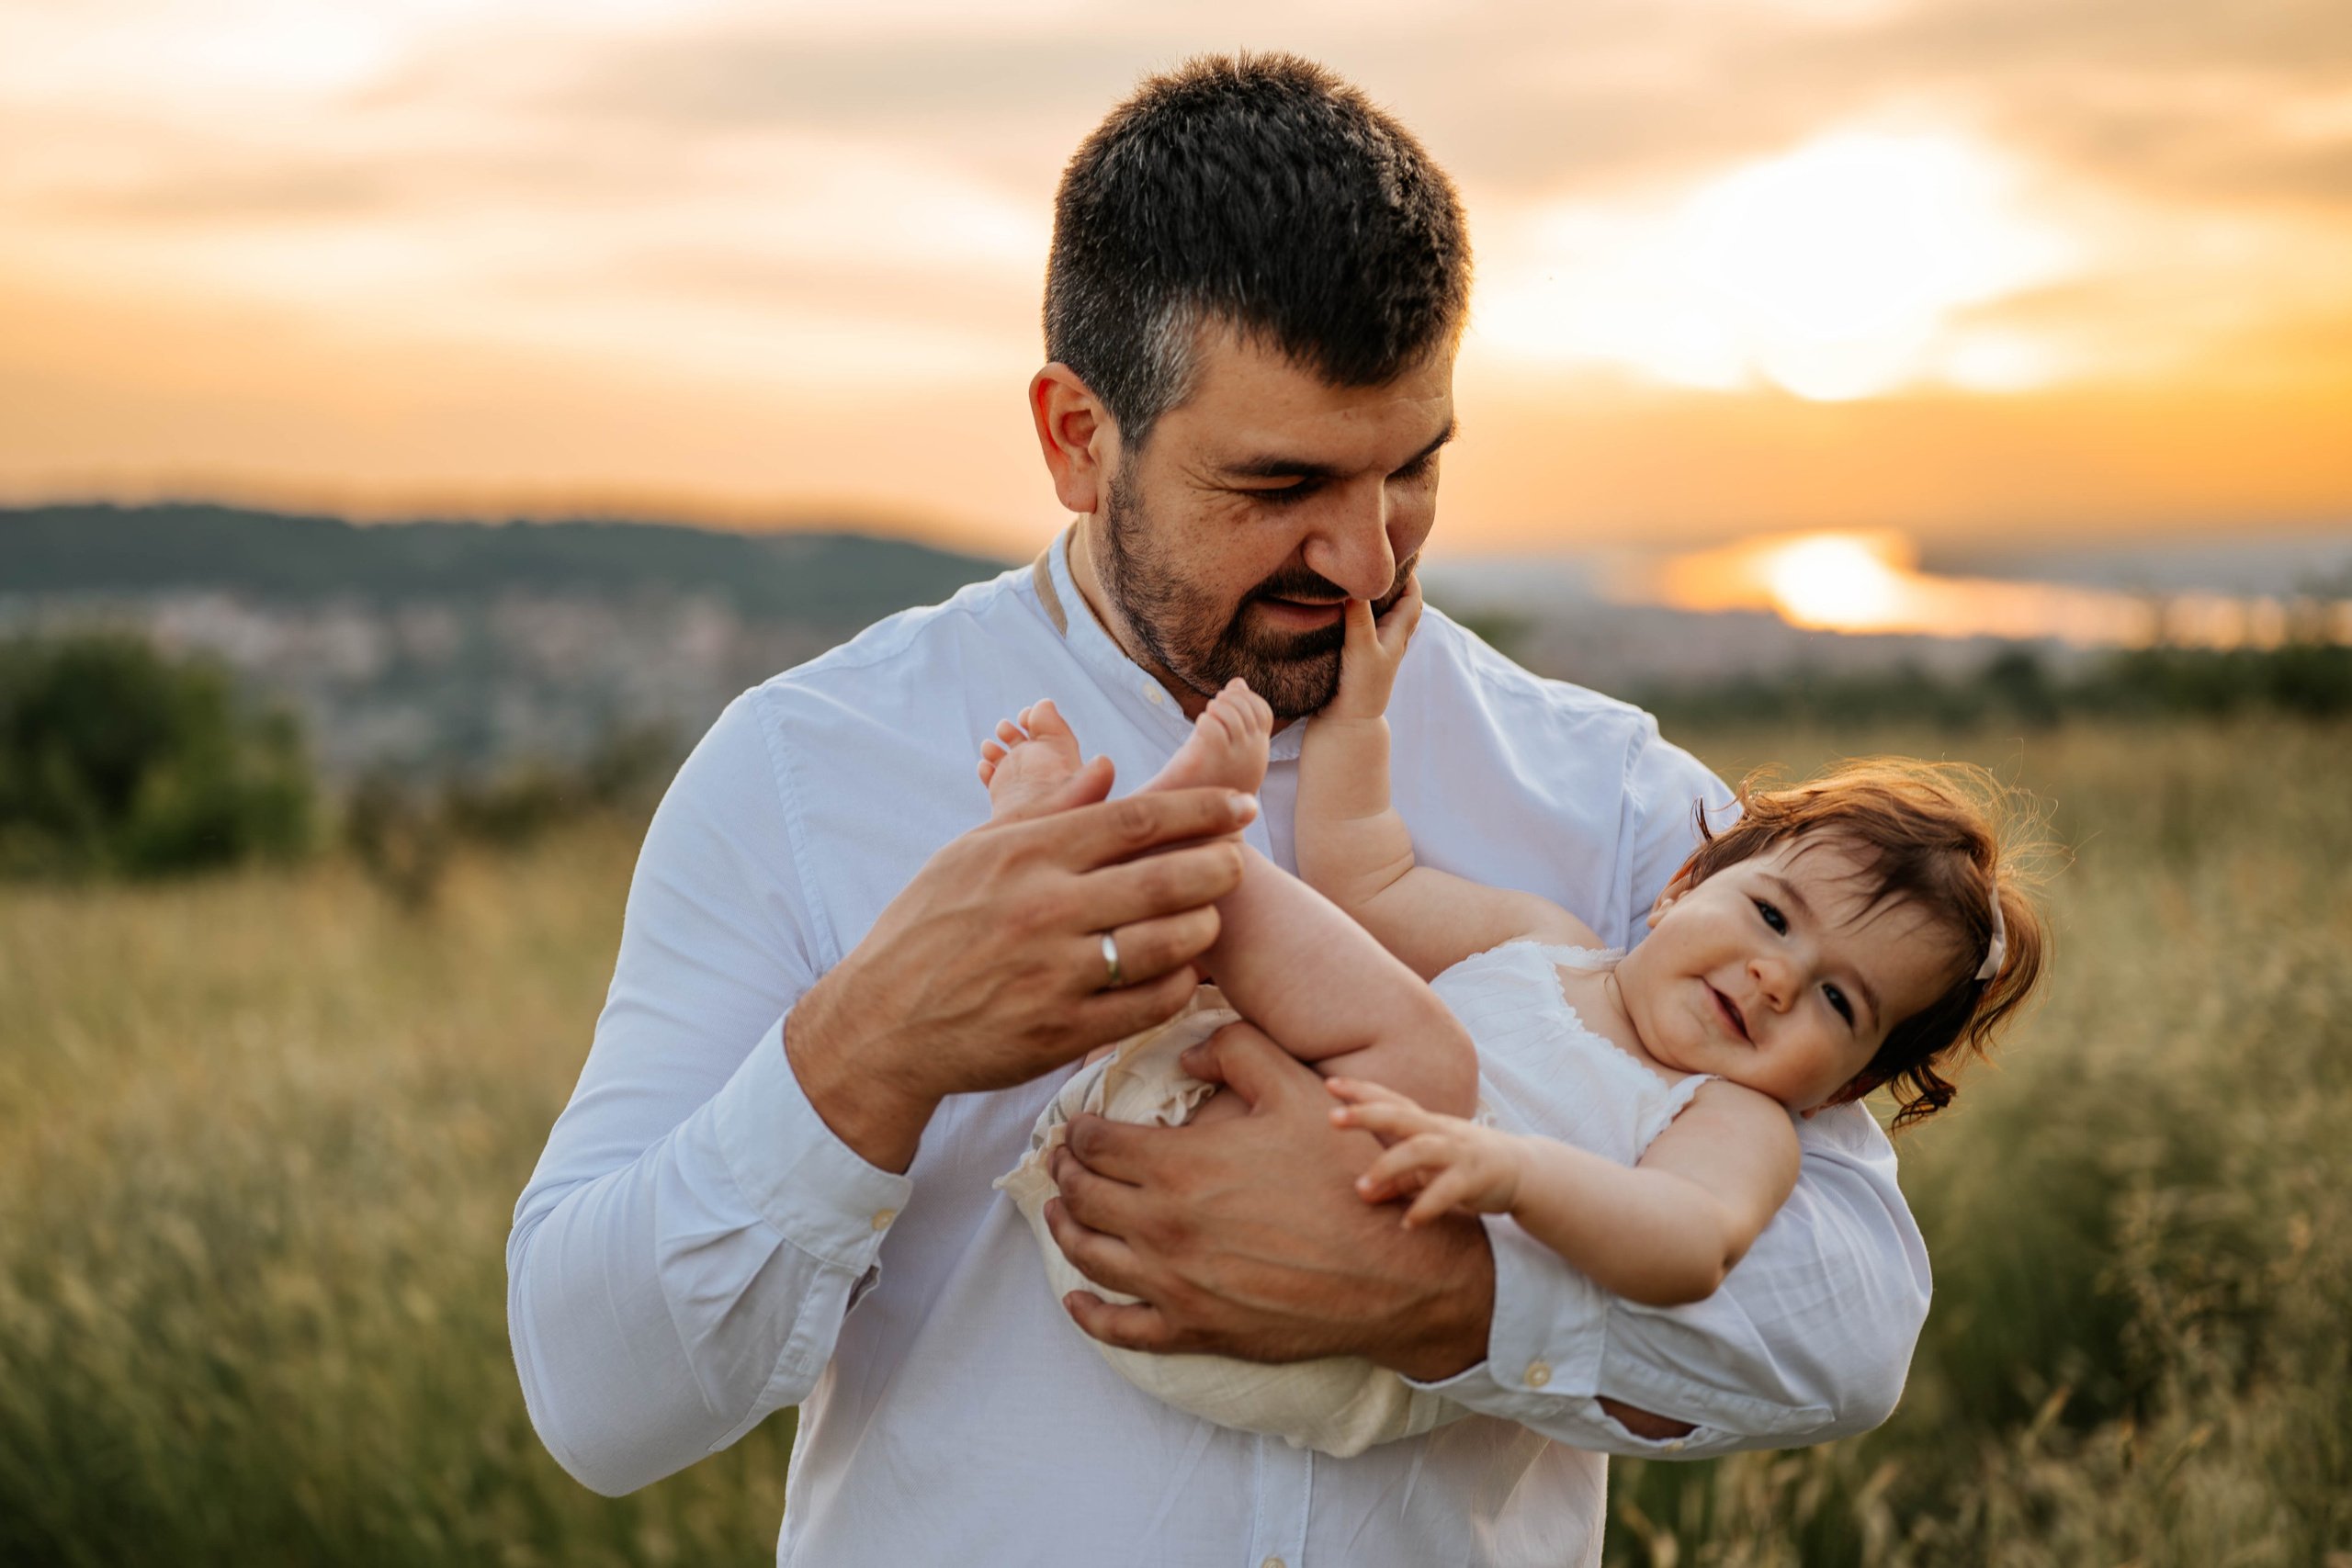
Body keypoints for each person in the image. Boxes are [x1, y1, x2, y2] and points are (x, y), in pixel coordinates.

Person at [507, 53, 1930, 1567]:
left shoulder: (1618, 795)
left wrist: (1450, 1295)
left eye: (1416, 469)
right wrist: (878, 1039)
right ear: (1077, 437)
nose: (1369, 560)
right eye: (1277, 484)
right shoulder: (808, 766)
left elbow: (1852, 1320)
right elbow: (600, 1398)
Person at [983, 587, 2046, 1460]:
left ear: (1844, 1088)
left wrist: (1516, 1176)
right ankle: (1089, 852)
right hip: (1126, 1151)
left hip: (1300, 1337)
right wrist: (1358, 723)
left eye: (1836, 1001)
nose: (1775, 978)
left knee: (1422, 1058)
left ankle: (1173, 848)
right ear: (1679, 887)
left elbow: (1688, 1245)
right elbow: (1367, 875)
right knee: (1242, 1002)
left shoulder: (1733, 1121)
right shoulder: (1545, 941)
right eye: (1771, 917)